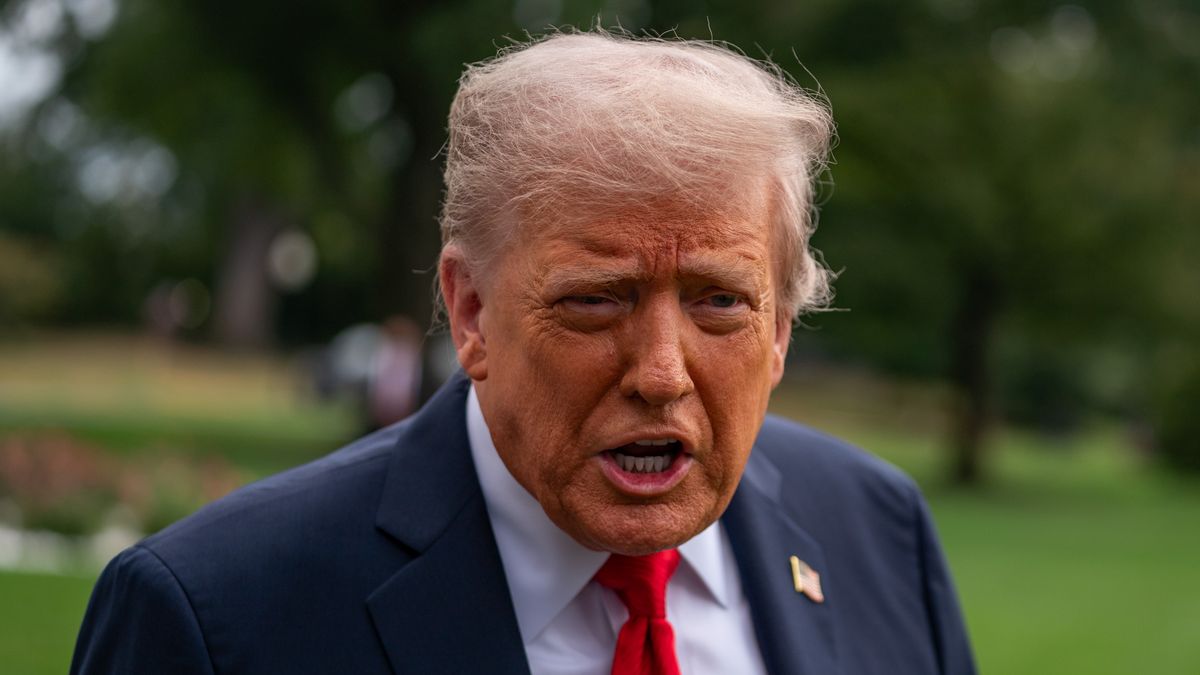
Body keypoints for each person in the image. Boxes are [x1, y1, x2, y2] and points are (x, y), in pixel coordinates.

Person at [71, 30, 975, 675]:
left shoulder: (877, 529)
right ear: (470, 312)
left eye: (720, 302)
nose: (661, 371)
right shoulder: (212, 615)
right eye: (594, 300)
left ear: (779, 329)